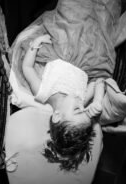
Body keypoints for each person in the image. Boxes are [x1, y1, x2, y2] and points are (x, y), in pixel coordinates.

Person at [22, 34, 107, 171]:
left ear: (57, 116)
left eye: (77, 110)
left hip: (62, 45)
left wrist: (36, 44)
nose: (81, 105)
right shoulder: (82, 99)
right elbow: (99, 80)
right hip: (85, 53)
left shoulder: (43, 92)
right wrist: (97, 100)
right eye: (85, 111)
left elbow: (27, 68)